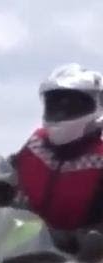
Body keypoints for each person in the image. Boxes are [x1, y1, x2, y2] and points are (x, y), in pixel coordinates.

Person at [12, 63, 103, 240]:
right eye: (55, 103)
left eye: (71, 104)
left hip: (86, 261)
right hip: (23, 255)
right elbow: (4, 180)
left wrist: (83, 238)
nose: (61, 111)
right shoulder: (35, 146)